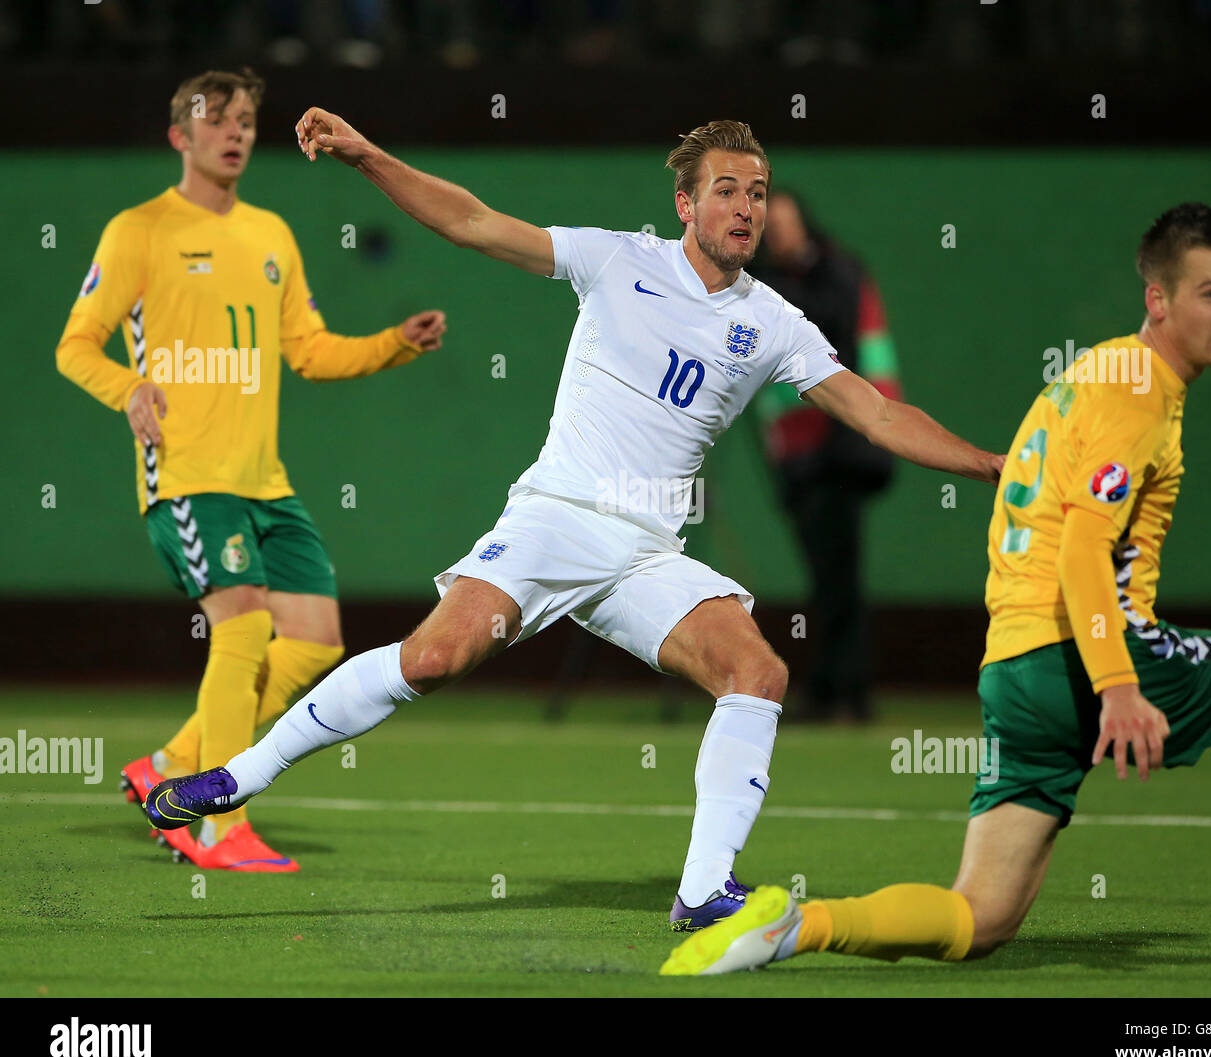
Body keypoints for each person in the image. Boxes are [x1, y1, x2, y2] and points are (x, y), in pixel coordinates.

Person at [142, 114, 1003, 929]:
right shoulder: (615, 260)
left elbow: (878, 413)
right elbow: (476, 223)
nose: (747, 206)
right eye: (729, 189)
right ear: (686, 204)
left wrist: (995, 465)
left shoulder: (773, 323)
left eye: (758, 190)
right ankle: (235, 775)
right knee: (433, 657)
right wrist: (368, 155)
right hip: (556, 519)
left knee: (758, 672)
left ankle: (704, 891)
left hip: (645, 555)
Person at [660, 202, 1211, 973]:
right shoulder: (1137, 396)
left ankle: (795, 927)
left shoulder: (1089, 374)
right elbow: (1085, 553)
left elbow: (1021, 518)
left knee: (981, 915)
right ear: (1158, 299)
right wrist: (1120, 686)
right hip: (1095, 652)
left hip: (1018, 671)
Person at [56, 68, 447, 872]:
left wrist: (392, 343)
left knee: (315, 640)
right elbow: (74, 345)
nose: (235, 132)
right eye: (218, 120)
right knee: (240, 625)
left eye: (245, 121)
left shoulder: (271, 234)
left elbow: (306, 351)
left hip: (264, 481)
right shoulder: (138, 230)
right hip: (188, 477)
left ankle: (167, 769)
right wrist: (129, 388)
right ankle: (215, 825)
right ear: (181, 136)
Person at [752, 190, 902, 720]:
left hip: (840, 454)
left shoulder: (836, 276)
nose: (781, 233)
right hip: (800, 458)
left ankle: (845, 689)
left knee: (838, 575)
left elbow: (847, 360)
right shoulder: (770, 286)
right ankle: (839, 685)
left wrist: (846, 446)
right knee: (828, 575)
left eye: (788, 222)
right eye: (775, 225)